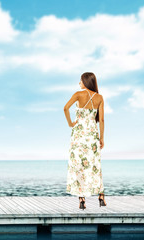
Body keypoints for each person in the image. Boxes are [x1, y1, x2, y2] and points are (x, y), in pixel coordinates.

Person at [63, 72, 107, 210]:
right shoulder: (99, 97)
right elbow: (101, 120)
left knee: (78, 167)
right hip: (92, 136)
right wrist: (101, 138)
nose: (79, 83)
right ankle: (101, 196)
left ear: (86, 81)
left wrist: (70, 123)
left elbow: (65, 108)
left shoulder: (78, 94)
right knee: (94, 165)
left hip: (78, 136)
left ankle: (81, 199)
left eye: (80, 80)